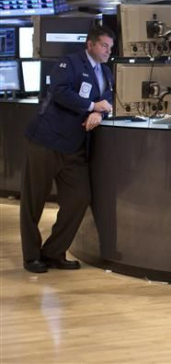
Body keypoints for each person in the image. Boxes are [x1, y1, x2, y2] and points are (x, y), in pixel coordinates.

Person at [20, 25, 115, 273]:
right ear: (90, 44)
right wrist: (92, 106)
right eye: (104, 45)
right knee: (34, 202)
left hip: (74, 148)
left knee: (79, 199)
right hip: (46, 141)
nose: (108, 51)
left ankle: (53, 252)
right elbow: (60, 92)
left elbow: (109, 100)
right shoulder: (69, 63)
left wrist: (100, 114)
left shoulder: (105, 71)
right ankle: (31, 257)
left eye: (110, 47)